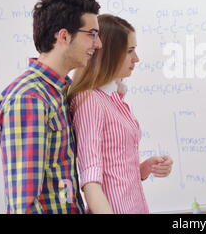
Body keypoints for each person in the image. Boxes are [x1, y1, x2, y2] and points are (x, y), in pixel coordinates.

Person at [0, 0, 102, 213]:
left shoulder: (59, 92)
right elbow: (23, 203)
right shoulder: (29, 99)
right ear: (64, 36)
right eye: (92, 34)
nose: (98, 44)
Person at [68, 14, 173, 214]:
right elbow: (90, 179)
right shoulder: (90, 101)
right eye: (130, 51)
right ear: (108, 54)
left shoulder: (114, 98)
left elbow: (115, 169)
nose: (137, 59)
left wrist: (145, 168)